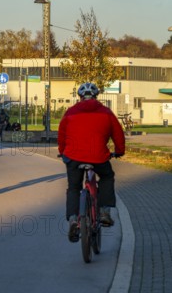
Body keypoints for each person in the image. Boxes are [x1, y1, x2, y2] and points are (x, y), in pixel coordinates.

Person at [58, 82, 125, 243]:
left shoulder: (70, 112)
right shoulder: (107, 113)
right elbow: (118, 134)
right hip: (99, 157)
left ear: (80, 97)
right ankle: (103, 212)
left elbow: (61, 135)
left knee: (74, 187)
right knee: (107, 177)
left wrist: (62, 152)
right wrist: (119, 151)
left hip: (73, 157)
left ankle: (74, 219)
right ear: (96, 96)